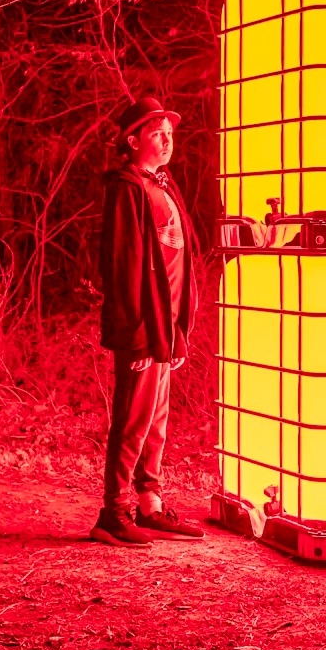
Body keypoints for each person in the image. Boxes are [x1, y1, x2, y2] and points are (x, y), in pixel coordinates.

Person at [92, 96, 202, 546]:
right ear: (132, 140)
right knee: (133, 419)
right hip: (142, 330)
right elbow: (121, 266)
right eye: (156, 132)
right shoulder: (127, 188)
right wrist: (134, 337)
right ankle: (113, 513)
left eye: (169, 132)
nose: (166, 138)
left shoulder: (162, 184)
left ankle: (149, 505)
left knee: (156, 420)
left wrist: (177, 331)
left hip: (165, 326)